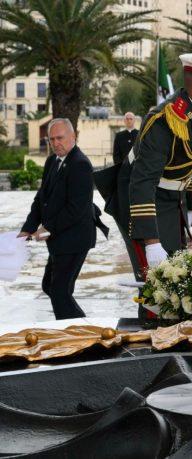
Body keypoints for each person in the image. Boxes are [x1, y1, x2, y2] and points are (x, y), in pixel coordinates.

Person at [114, 52, 192, 294]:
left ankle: (171, 330)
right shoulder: (165, 119)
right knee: (156, 287)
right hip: (143, 202)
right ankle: (153, 330)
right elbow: (142, 181)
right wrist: (151, 241)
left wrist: (191, 205)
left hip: (171, 201)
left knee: (176, 280)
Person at [18, 119, 98, 319]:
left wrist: (46, 230)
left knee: (59, 293)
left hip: (75, 239)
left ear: (73, 137)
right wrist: (27, 228)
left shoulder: (80, 164)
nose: (55, 143)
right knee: (51, 287)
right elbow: (41, 199)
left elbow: (75, 209)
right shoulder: (52, 161)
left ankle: (81, 335)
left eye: (60, 138)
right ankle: (82, 330)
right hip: (59, 240)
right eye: (51, 139)